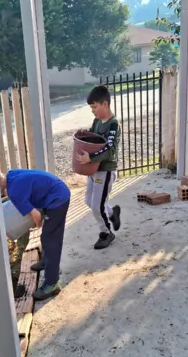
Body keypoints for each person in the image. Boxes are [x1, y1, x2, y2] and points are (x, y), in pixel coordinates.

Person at [0, 170, 70, 301]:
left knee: (51, 240)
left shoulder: (14, 192)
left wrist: (38, 225)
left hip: (58, 199)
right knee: (47, 238)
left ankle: (52, 283)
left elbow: (36, 215)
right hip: (56, 190)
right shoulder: (11, 174)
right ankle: (45, 262)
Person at [74, 85, 122, 249]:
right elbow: (94, 137)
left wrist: (90, 158)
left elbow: (109, 149)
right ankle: (111, 213)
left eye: (94, 107)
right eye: (91, 107)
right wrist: (84, 133)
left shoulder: (113, 125)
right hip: (93, 169)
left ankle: (106, 233)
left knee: (97, 206)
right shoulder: (97, 121)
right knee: (89, 201)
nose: (92, 111)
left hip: (105, 170)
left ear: (105, 104)